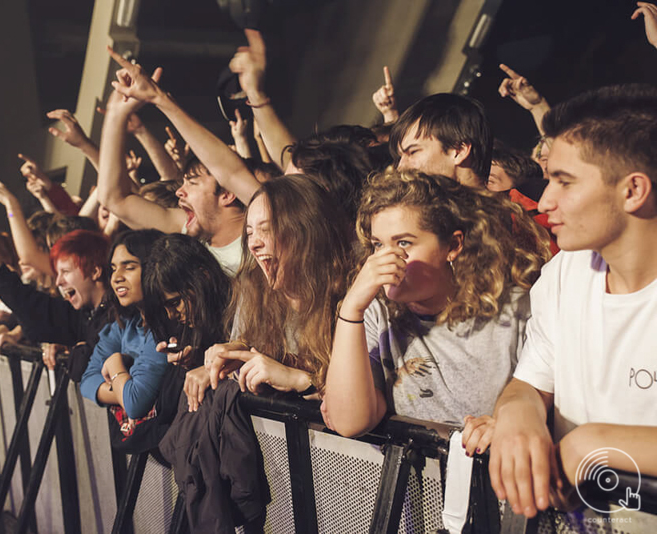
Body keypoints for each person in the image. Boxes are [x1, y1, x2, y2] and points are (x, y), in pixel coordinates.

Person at [484, 84, 657, 519]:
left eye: (564, 181)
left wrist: (591, 442)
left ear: (633, 190)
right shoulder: (566, 273)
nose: (545, 201)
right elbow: (530, 384)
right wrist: (517, 419)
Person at [324, 169, 550, 438]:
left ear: (453, 246)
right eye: (378, 245)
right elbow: (351, 422)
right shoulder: (375, 313)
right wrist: (351, 308)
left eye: (404, 242)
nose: (386, 259)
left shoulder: (514, 310)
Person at [97, 51, 254, 276]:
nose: (179, 191)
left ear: (228, 193)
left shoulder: (265, 229)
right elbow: (114, 199)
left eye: (192, 182)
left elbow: (231, 172)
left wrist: (159, 99)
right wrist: (115, 115)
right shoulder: (194, 235)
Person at [206, 173, 352, 398]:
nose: (254, 243)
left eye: (266, 229)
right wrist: (240, 352)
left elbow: (361, 404)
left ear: (306, 232)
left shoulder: (352, 298)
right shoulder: (256, 290)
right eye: (250, 233)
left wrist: (299, 380)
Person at [0, 198, 113, 377]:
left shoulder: (122, 318)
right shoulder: (82, 315)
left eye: (65, 272)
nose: (58, 282)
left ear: (95, 271)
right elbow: (21, 299)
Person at [79, 229, 178, 451]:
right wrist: (124, 386)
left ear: (155, 268)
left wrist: (115, 364)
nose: (116, 277)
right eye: (113, 268)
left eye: (129, 267)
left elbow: (135, 403)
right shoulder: (124, 323)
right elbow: (86, 382)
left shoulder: (165, 326)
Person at [141, 233, 232, 412]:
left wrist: (219, 368)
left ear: (203, 277)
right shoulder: (190, 328)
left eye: (175, 302)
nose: (171, 315)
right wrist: (193, 360)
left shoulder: (246, 305)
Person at [389, 93, 493, 188]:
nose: (400, 167)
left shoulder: (507, 206)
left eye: (413, 152)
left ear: (459, 151)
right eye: (400, 158)